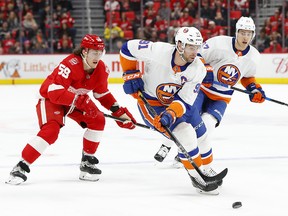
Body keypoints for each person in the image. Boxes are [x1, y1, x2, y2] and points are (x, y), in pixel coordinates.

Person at [6, 34, 137, 185]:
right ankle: (21, 167)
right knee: (51, 131)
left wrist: (118, 112)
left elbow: (102, 94)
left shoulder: (101, 69)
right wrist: (81, 100)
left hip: (74, 102)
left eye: (101, 52)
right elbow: (54, 92)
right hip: (50, 99)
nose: (98, 56)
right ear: (84, 51)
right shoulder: (70, 64)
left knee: (98, 120)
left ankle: (87, 163)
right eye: (94, 52)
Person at [154, 16, 266, 183]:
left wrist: (254, 88)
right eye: (242, 32)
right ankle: (166, 145)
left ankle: (184, 153)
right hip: (201, 90)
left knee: (206, 126)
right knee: (183, 120)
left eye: (249, 34)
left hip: (221, 98)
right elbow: (195, 55)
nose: (245, 37)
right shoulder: (218, 43)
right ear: (236, 32)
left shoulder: (254, 56)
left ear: (253, 35)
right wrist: (205, 69)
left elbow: (247, 77)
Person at [119, 26, 220, 195]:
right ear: (180, 45)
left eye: (197, 47)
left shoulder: (198, 69)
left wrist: (170, 114)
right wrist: (130, 73)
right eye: (191, 47)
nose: (195, 52)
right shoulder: (157, 51)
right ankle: (196, 176)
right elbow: (127, 49)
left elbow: (185, 101)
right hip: (152, 103)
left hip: (177, 104)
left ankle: (208, 169)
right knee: (186, 134)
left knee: (202, 135)